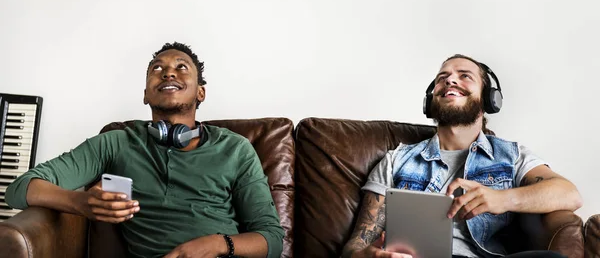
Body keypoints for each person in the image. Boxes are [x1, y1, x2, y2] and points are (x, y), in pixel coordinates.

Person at [6, 42, 284, 258]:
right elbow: (19, 189)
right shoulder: (115, 143)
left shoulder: (236, 148)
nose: (168, 72)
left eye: (181, 67)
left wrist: (214, 245)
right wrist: (80, 204)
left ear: (201, 93)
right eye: (157, 68)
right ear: (145, 94)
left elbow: (271, 239)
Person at [341, 54, 583, 258]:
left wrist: (503, 199)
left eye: (464, 76)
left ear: (489, 98)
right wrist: (368, 255)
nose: (450, 81)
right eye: (442, 78)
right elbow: (354, 247)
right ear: (431, 99)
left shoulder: (511, 156)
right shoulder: (396, 160)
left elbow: (569, 193)